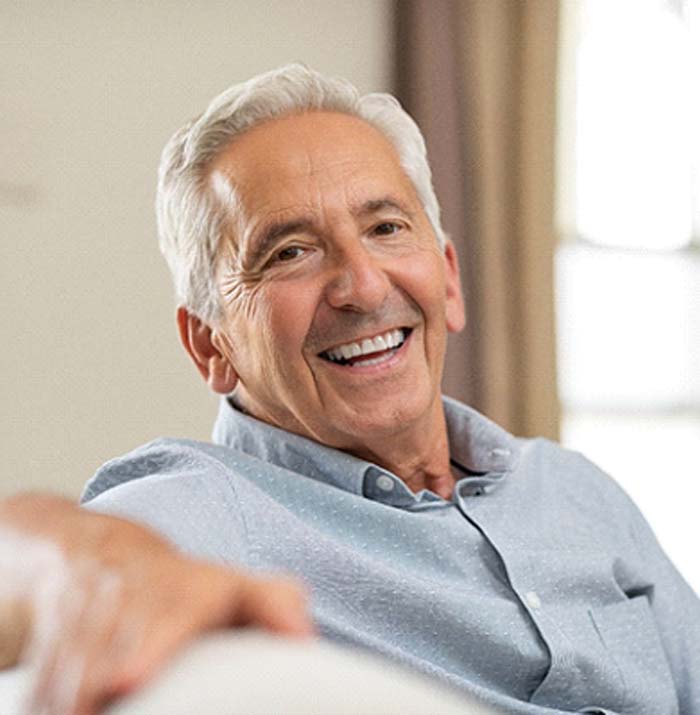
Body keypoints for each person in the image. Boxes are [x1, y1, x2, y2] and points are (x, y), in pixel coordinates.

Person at [1, 64, 698, 715]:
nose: (362, 286)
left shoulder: (575, 487)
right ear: (211, 344)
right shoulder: (212, 508)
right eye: (290, 252)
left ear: (449, 280)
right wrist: (90, 569)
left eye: (386, 228)